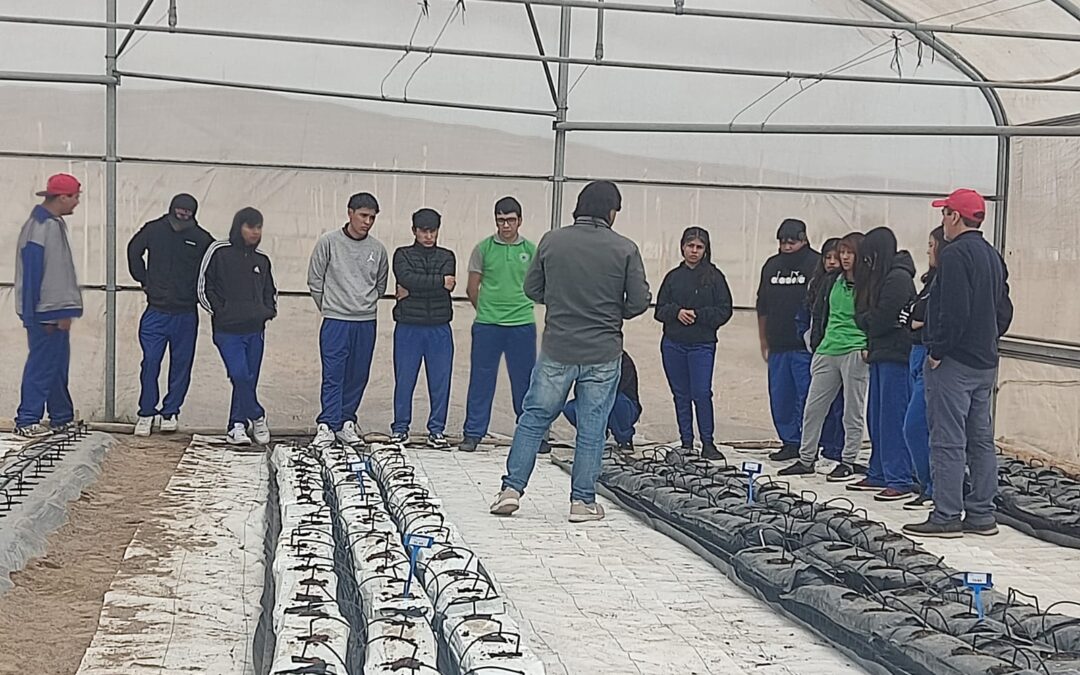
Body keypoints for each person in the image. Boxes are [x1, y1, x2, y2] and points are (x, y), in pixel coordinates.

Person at [490, 181, 650, 523]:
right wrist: (608, 309)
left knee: (533, 418)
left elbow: (532, 288)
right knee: (592, 427)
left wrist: (562, 303)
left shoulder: (552, 241)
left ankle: (511, 490)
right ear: (611, 211)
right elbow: (638, 301)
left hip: (558, 347)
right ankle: (582, 502)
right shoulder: (624, 248)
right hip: (603, 351)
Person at [904, 189, 1012, 539]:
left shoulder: (954, 256)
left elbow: (952, 310)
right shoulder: (992, 256)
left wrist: (938, 349)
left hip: (954, 363)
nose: (942, 220)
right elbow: (1004, 310)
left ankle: (947, 513)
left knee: (947, 439)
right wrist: (988, 339)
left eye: (945, 213)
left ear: (954, 216)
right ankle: (982, 513)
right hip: (984, 362)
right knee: (980, 439)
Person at [778, 232, 868, 481]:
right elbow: (819, 312)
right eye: (843, 252)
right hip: (828, 349)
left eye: (850, 252)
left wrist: (867, 347)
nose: (845, 257)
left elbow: (872, 316)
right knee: (813, 407)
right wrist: (816, 343)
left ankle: (848, 459)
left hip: (855, 349)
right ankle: (806, 458)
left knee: (852, 409)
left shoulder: (867, 284)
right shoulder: (832, 281)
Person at [127, 193, 213, 437]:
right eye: (179, 209)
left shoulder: (201, 238)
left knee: (181, 365)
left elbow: (213, 267)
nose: (183, 214)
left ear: (194, 213)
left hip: (186, 313)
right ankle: (146, 412)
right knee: (150, 361)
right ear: (171, 207)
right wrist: (143, 279)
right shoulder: (154, 229)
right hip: (156, 311)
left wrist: (201, 293)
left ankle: (170, 411)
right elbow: (134, 250)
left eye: (188, 211)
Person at [308, 192, 389, 448]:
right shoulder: (328, 242)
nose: (367, 222)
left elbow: (380, 284)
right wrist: (331, 307)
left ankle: (346, 421)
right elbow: (315, 279)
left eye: (372, 218)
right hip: (336, 320)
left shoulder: (377, 249)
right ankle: (327, 424)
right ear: (350, 213)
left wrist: (363, 305)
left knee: (358, 373)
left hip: (365, 321)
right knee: (334, 372)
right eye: (363, 216)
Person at [460, 197, 539, 453]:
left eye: (511, 220)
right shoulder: (483, 248)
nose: (506, 225)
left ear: (520, 221)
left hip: (522, 325)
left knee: (525, 381)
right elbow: (472, 287)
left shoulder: (531, 249)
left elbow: (540, 285)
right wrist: (486, 310)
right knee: (482, 379)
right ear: (495, 220)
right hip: (488, 325)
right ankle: (473, 433)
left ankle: (532, 435)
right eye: (501, 220)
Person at [845, 227, 916, 501]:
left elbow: (881, 319)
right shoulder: (881, 278)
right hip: (880, 354)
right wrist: (868, 321)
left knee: (892, 417)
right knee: (875, 415)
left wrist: (867, 321)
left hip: (896, 356)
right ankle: (878, 471)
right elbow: (865, 316)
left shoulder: (897, 279)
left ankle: (899, 477)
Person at [198, 207, 277, 446]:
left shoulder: (261, 260)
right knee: (239, 374)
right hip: (227, 330)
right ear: (238, 227)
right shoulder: (219, 251)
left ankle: (237, 425)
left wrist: (266, 312)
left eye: (259, 227)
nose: (255, 232)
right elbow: (204, 286)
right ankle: (257, 414)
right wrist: (220, 312)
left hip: (255, 329)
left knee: (248, 379)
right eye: (250, 227)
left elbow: (269, 291)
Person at [14, 173, 83, 438]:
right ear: (62, 197)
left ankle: (61, 416)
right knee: (42, 366)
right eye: (75, 197)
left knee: (55, 365)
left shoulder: (51, 224)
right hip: (47, 312)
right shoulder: (41, 227)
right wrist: (41, 313)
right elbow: (35, 273)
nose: (76, 202)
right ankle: (28, 418)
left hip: (51, 309)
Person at [654, 227, 733, 459]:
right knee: (680, 394)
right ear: (682, 247)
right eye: (690, 246)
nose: (694, 251)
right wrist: (677, 312)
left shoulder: (715, 277)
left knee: (701, 392)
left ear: (706, 250)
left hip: (702, 345)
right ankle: (686, 441)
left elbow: (724, 310)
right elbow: (659, 310)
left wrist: (699, 315)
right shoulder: (673, 277)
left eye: (699, 247)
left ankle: (708, 442)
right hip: (673, 343)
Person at [390, 208, 456, 449]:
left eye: (432, 231)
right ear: (414, 231)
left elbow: (416, 284)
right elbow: (407, 278)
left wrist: (413, 290)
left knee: (440, 381)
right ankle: (400, 428)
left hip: (439, 327)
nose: (428, 236)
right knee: (404, 379)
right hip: (409, 326)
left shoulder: (447, 255)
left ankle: (437, 430)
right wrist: (438, 283)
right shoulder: (402, 254)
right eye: (423, 231)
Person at [757, 219, 820, 462]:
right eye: (783, 241)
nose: (787, 245)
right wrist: (763, 340)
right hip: (778, 343)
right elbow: (762, 304)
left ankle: (810, 443)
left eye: (792, 241)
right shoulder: (771, 266)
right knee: (781, 396)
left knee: (806, 396)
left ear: (803, 239)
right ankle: (789, 441)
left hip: (804, 346)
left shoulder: (815, 263)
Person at [897, 226, 948, 511]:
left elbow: (919, 316)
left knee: (916, 426)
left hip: (928, 355)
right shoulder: (929, 281)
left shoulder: (943, 280)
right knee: (916, 424)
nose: (928, 250)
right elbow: (912, 315)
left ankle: (933, 486)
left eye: (932, 244)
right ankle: (926, 484)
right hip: (916, 354)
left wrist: (915, 318)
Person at [796, 237, 845, 463]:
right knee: (814, 405)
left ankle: (837, 450)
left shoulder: (846, 284)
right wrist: (810, 339)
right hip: (820, 349)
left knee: (841, 407)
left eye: (837, 258)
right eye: (828, 258)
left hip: (842, 350)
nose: (832, 262)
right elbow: (808, 314)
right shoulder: (817, 282)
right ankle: (809, 452)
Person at [563, 351, 642, 453]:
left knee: (617, 402)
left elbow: (616, 389)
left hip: (623, 406)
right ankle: (596, 435)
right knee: (570, 408)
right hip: (594, 401)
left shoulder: (622, 360)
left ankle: (624, 439)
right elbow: (579, 391)